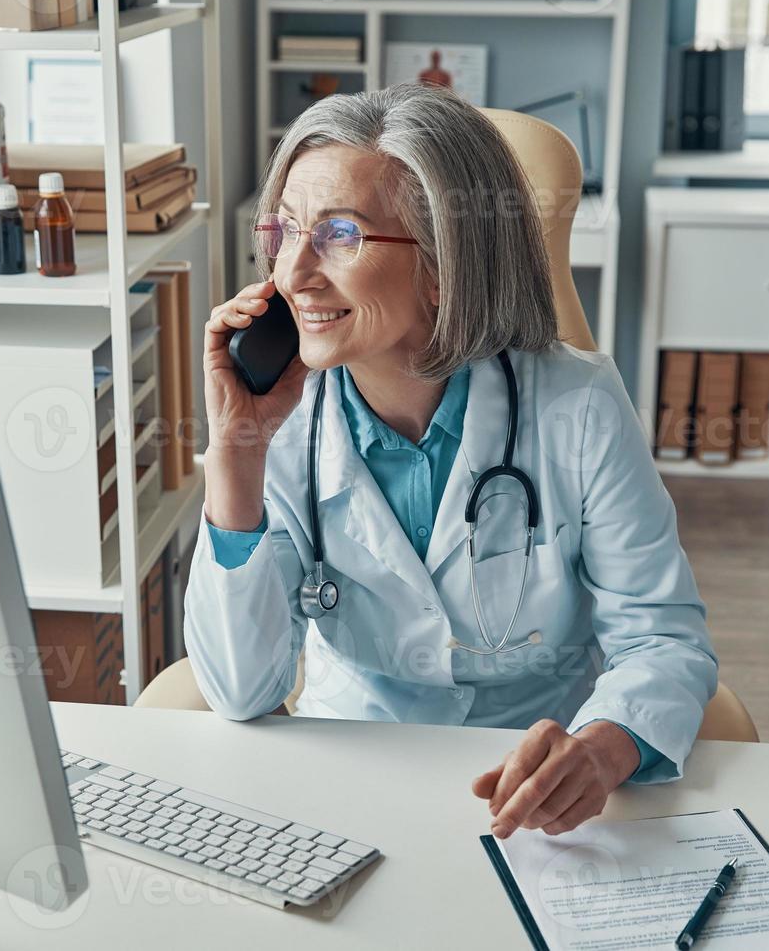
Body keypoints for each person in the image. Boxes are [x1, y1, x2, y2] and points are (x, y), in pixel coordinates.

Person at [184, 82, 716, 839]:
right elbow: (241, 692)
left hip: (530, 791)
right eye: (285, 231)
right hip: (349, 776)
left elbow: (662, 639)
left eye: (338, 235)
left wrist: (603, 750)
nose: (292, 275)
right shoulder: (277, 421)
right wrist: (236, 455)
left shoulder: (581, 407)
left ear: (444, 264)